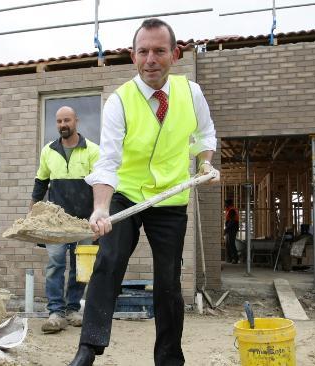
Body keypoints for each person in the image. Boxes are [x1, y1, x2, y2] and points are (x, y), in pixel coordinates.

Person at [69, 18, 219, 366]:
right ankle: (88, 349)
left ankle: (169, 359)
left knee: (168, 280)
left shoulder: (191, 93)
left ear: (175, 54)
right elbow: (107, 160)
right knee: (108, 261)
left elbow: (205, 134)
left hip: (170, 199)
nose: (151, 59)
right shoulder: (119, 101)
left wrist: (206, 163)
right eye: (143, 51)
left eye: (159, 51)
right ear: (132, 57)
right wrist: (101, 208)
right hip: (126, 193)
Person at [31, 106, 100, 334]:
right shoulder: (48, 151)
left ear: (76, 121)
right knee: (55, 266)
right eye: (59, 121)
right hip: (55, 222)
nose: (63, 125)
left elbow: (100, 185)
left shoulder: (92, 150)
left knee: (81, 268)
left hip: (84, 222)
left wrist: (99, 215)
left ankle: (72, 309)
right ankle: (55, 313)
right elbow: (40, 182)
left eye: (67, 120)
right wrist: (33, 215)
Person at [224, 199, 240, 264]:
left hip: (232, 229)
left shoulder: (232, 210)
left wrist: (226, 229)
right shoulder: (229, 210)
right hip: (230, 229)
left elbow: (232, 221)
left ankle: (235, 259)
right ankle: (230, 259)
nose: (224, 205)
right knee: (228, 244)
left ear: (228, 204)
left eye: (225, 204)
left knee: (231, 244)